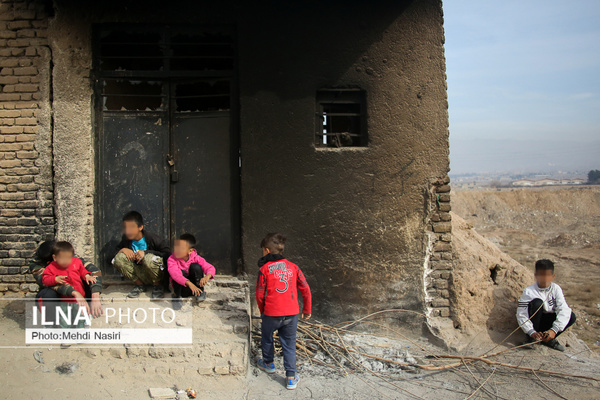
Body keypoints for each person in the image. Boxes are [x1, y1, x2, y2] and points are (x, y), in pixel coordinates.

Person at [255, 233, 312, 390]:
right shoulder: (294, 267)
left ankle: (268, 364)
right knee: (289, 343)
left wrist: (263, 311)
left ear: (267, 251)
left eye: (262, 251)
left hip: (271, 314)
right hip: (291, 314)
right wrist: (307, 309)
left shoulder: (264, 269)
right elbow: (305, 288)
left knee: (267, 338)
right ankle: (291, 377)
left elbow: (259, 294)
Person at [30, 240, 104, 323]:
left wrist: (95, 296)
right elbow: (53, 283)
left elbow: (95, 271)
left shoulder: (65, 253)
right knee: (48, 294)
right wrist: (75, 293)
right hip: (58, 293)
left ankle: (85, 312)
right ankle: (52, 323)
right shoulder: (36, 264)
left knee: (88, 278)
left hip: (77, 293)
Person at [517, 259, 576, 352]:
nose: (544, 278)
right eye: (541, 275)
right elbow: (521, 314)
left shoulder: (556, 289)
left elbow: (563, 309)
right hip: (535, 324)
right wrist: (531, 331)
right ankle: (532, 339)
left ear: (553, 276)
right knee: (537, 303)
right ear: (536, 276)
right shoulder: (529, 291)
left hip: (549, 324)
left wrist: (554, 330)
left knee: (571, 316)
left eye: (547, 275)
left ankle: (548, 339)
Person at [113, 211, 170, 299]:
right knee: (119, 258)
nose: (128, 231)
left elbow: (168, 254)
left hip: (156, 274)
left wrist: (146, 253)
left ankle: (158, 286)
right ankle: (139, 285)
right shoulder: (126, 240)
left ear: (140, 227)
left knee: (148, 258)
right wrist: (122, 249)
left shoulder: (153, 238)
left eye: (131, 227)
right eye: (126, 228)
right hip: (140, 274)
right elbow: (111, 258)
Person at [167, 233, 216, 310]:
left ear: (190, 251)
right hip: (182, 289)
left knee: (196, 267)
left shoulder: (195, 257)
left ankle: (200, 292)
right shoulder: (172, 259)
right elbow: (175, 274)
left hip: (195, 288)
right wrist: (189, 284)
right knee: (180, 272)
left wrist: (207, 276)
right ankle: (176, 296)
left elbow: (209, 267)